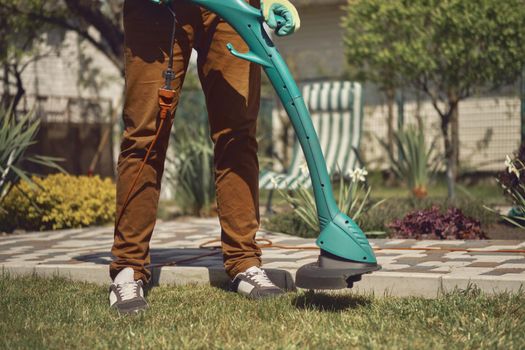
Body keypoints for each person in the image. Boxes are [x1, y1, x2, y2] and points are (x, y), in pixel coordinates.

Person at [108, 0, 300, 314]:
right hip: (156, 9)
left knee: (238, 134)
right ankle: (128, 267)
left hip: (232, 6)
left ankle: (244, 262)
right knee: (145, 134)